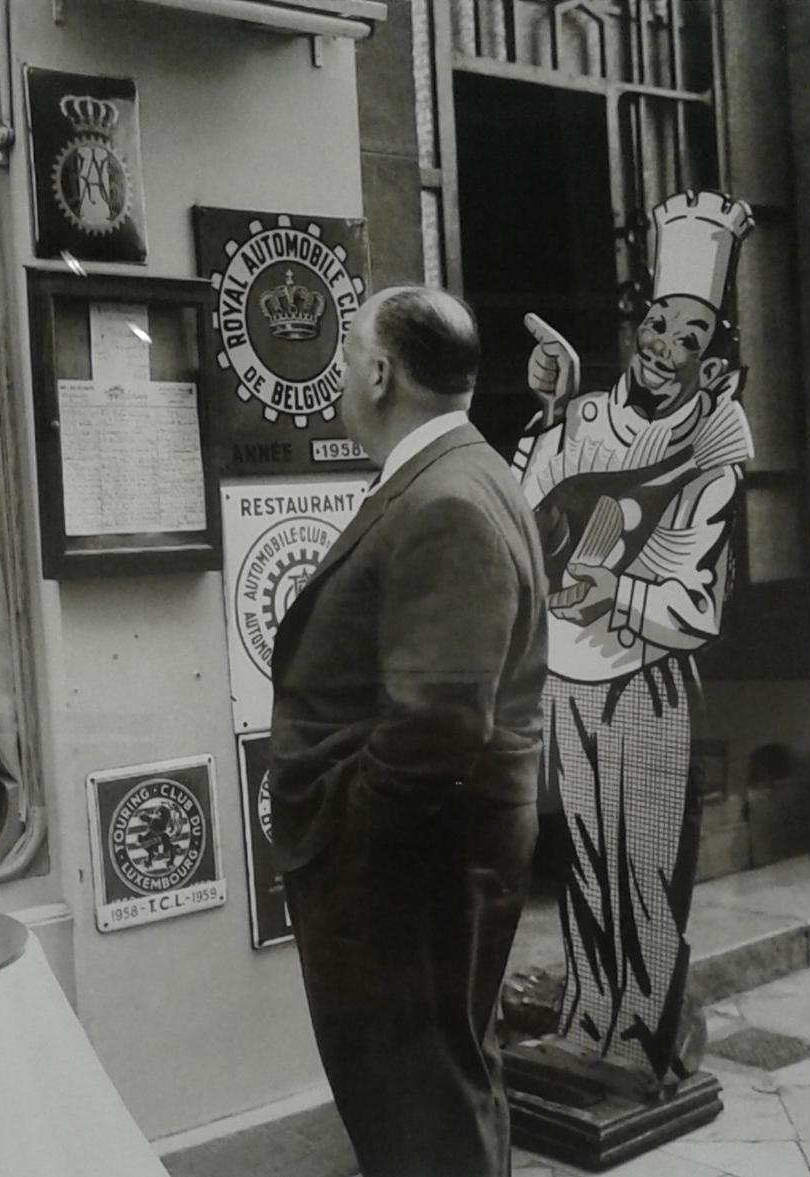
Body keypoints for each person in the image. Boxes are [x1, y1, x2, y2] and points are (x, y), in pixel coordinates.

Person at [268, 285, 548, 1177]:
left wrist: (348, 836)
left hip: (404, 881)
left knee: (419, 1113)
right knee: (441, 1091)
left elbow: (434, 728)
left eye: (349, 354)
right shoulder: (461, 475)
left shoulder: (446, 502)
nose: (341, 373)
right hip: (429, 871)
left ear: (383, 373)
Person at [510, 190, 755, 1080]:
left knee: (643, 868)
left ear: (711, 357)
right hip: (566, 676)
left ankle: (639, 1040)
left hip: (645, 678)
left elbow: (696, 603)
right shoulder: (581, 418)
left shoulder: (716, 446)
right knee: (581, 857)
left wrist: (614, 585)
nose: (664, 346)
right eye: (658, 323)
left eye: (690, 336)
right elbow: (523, 507)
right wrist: (544, 406)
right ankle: (586, 1021)